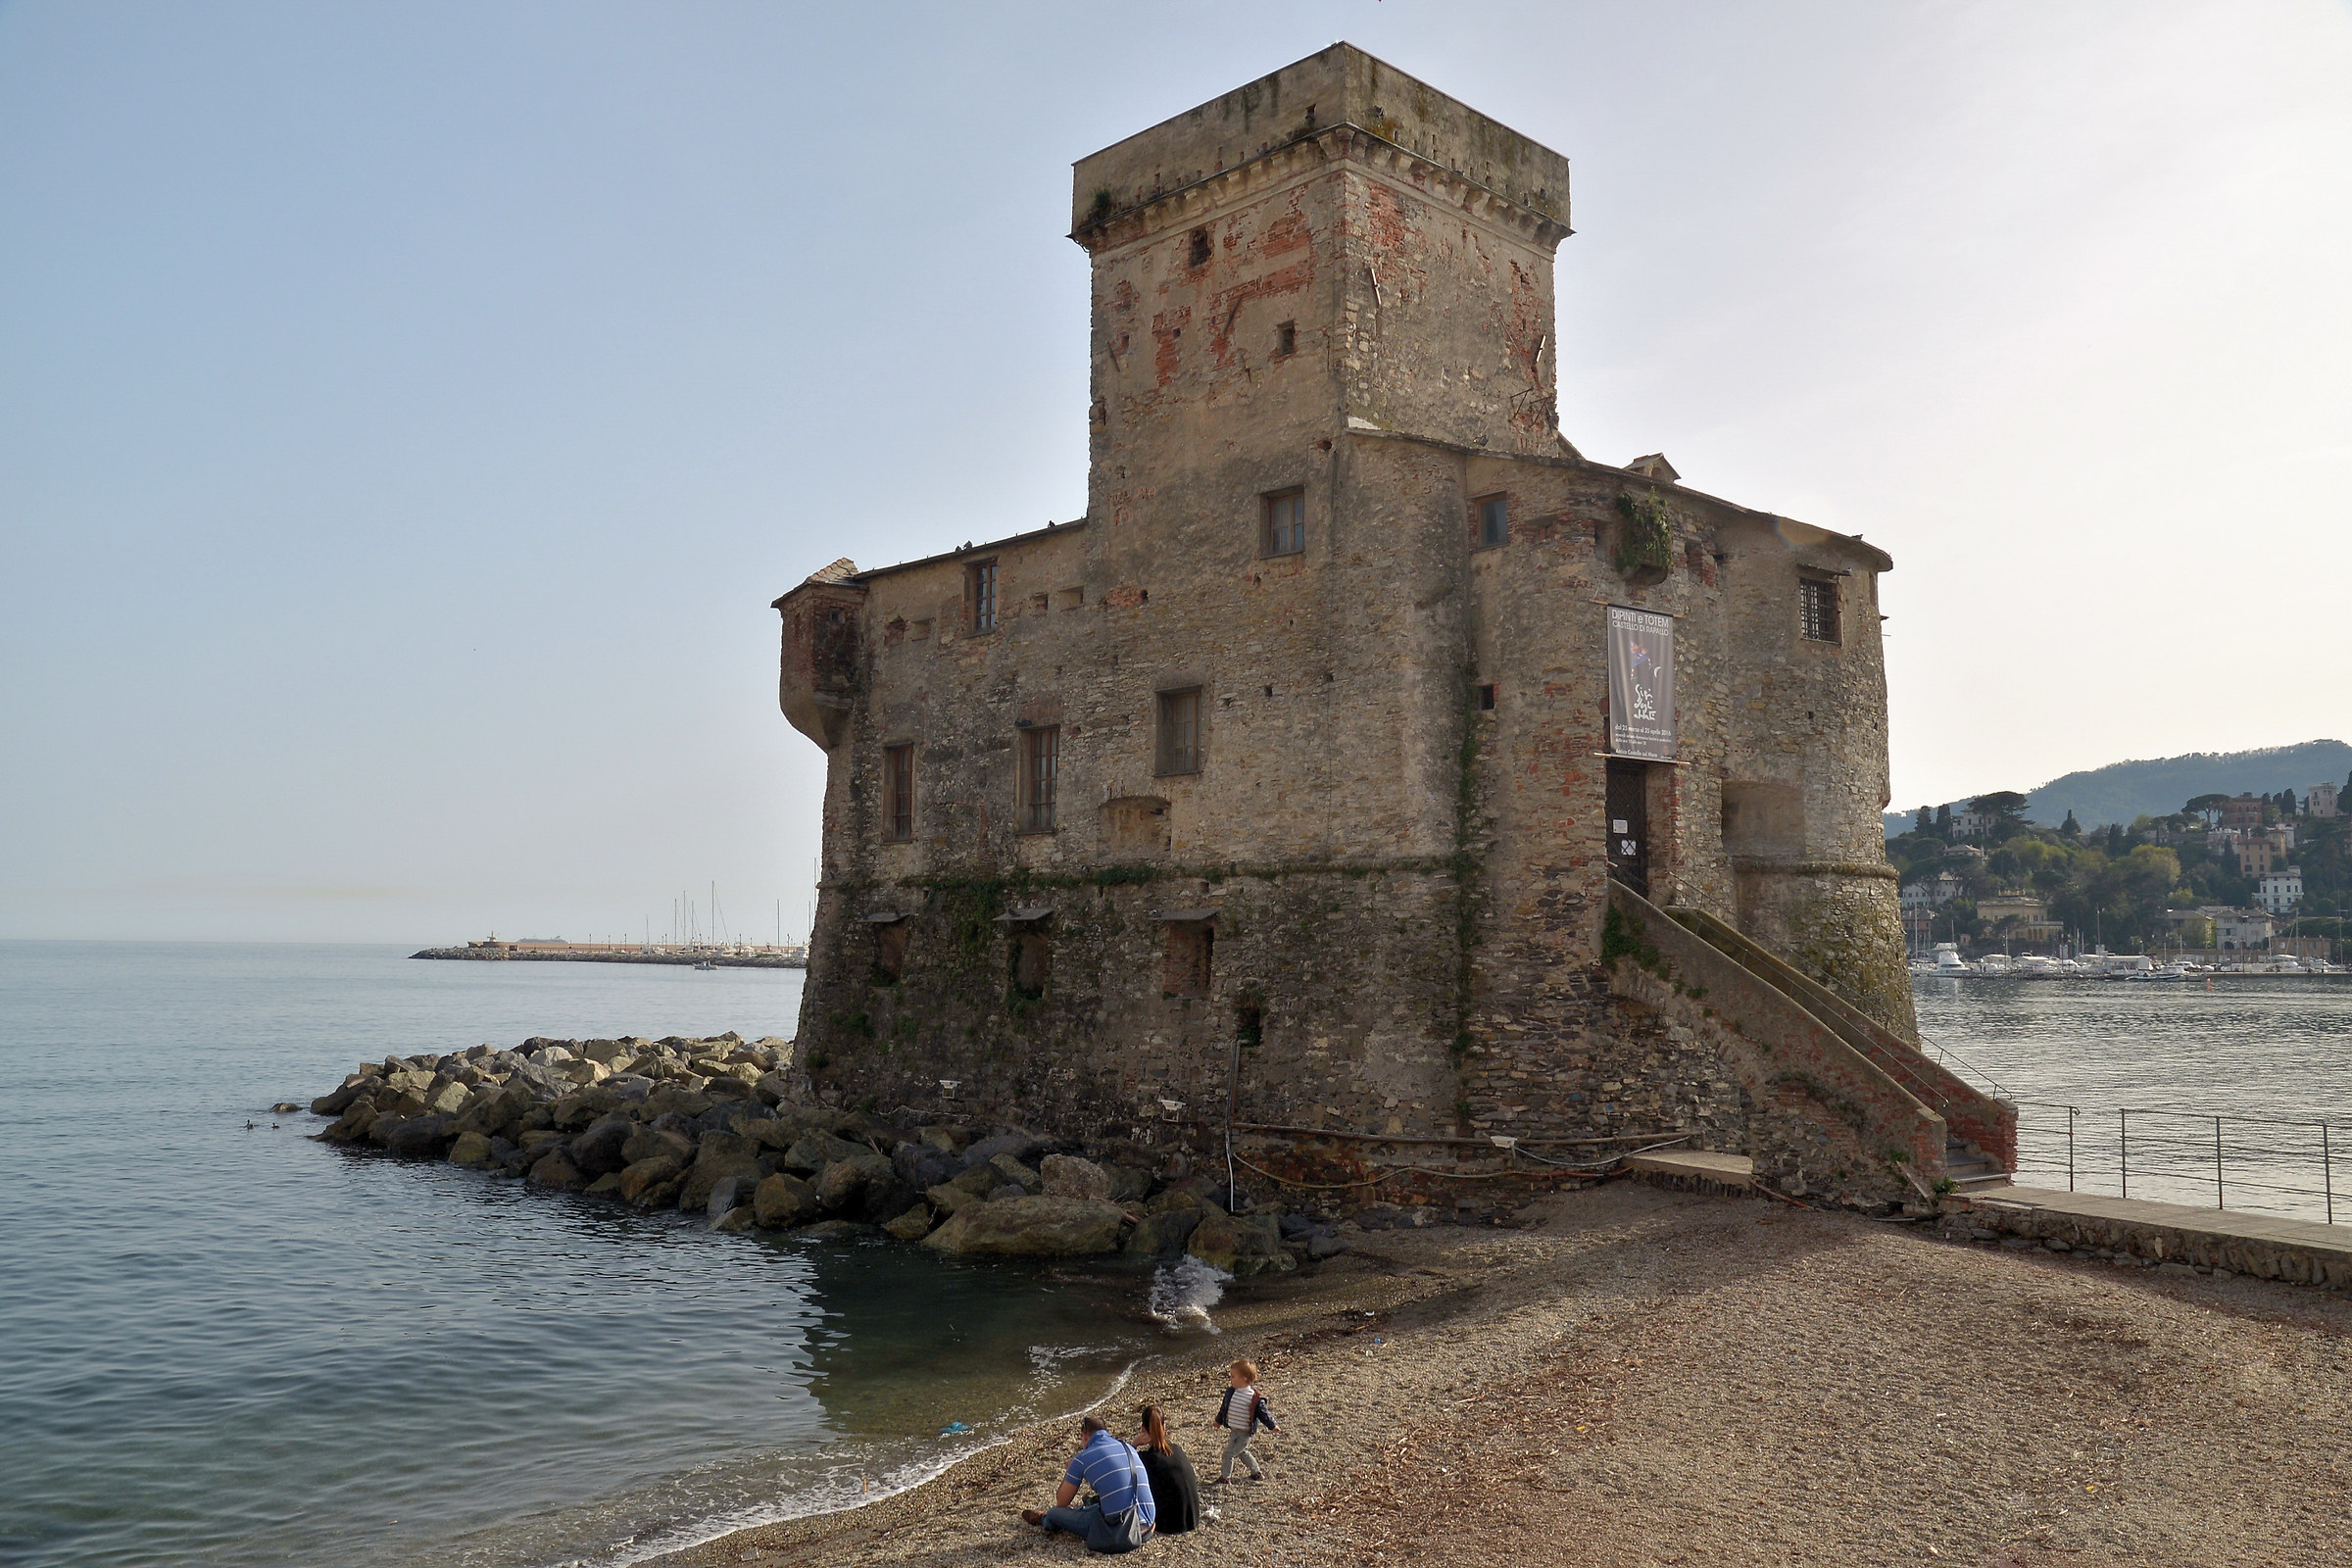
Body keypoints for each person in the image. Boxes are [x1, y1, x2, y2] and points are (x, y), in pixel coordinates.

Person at [1021, 1413, 1155, 1553]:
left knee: (1055, 1512)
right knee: (1102, 1504)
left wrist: (1070, 1470)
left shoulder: (1082, 1458)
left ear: (1085, 1435)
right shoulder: (1128, 1447)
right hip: (1149, 1525)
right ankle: (1083, 1510)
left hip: (1123, 1531)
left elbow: (1062, 1502)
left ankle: (1045, 1519)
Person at [1133, 1402, 1200, 1534]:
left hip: (1169, 1524)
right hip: (1193, 1518)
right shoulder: (1177, 1450)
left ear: (1143, 1429)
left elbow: (1125, 1468)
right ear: (1164, 1427)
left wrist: (1134, 1444)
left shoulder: (1145, 1459)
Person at [1211, 1358, 1280, 1483]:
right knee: (1243, 1452)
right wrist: (1218, 1421)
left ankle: (1225, 1478)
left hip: (1244, 1433)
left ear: (1243, 1379)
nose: (1230, 1379)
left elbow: (1263, 1413)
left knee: (1228, 1454)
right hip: (1234, 1429)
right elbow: (1224, 1409)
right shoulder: (1231, 1392)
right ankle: (1256, 1472)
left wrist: (1272, 1425)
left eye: (1233, 1376)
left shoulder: (1254, 1397)